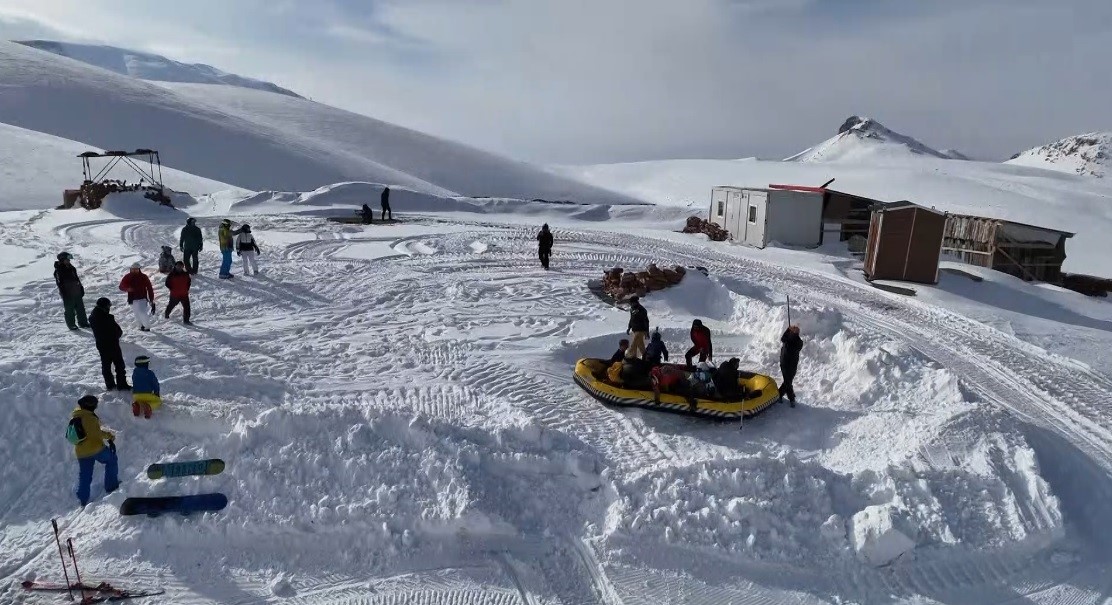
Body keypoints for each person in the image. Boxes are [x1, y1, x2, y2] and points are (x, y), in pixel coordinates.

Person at [68, 395, 119, 507]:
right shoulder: (90, 418)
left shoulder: (76, 416)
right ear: (90, 406)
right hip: (95, 449)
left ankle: (82, 499)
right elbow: (96, 434)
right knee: (111, 460)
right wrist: (109, 436)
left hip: (81, 452)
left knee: (85, 475)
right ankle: (111, 487)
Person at [89, 298, 130, 390]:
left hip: (101, 345)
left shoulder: (93, 317)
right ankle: (122, 384)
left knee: (106, 366)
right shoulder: (107, 318)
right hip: (112, 344)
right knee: (119, 365)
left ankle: (110, 385)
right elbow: (117, 331)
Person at [53, 252, 89, 330]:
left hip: (76, 291)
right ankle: (71, 324)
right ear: (62, 260)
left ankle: (83, 322)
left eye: (69, 260)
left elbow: (76, 278)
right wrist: (64, 293)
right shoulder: (59, 270)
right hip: (67, 293)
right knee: (70, 309)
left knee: (80, 308)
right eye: (67, 259)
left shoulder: (72, 268)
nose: (69, 261)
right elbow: (60, 283)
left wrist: (81, 287)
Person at [118, 263, 155, 331]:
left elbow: (150, 288)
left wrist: (151, 299)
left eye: (136, 269)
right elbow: (121, 286)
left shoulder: (144, 277)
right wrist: (127, 289)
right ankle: (140, 326)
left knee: (142, 312)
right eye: (133, 269)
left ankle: (147, 327)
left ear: (139, 269)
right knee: (137, 313)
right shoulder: (128, 277)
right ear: (131, 269)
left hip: (142, 298)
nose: (134, 271)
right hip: (132, 299)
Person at [779, 325, 803, 407]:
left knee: (788, 381)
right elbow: (782, 338)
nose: (795, 332)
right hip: (784, 363)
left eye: (796, 331)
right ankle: (791, 398)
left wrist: (790, 333)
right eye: (794, 330)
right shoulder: (787, 339)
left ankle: (779, 394)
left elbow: (793, 344)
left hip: (792, 365)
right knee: (788, 381)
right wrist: (787, 329)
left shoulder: (799, 342)